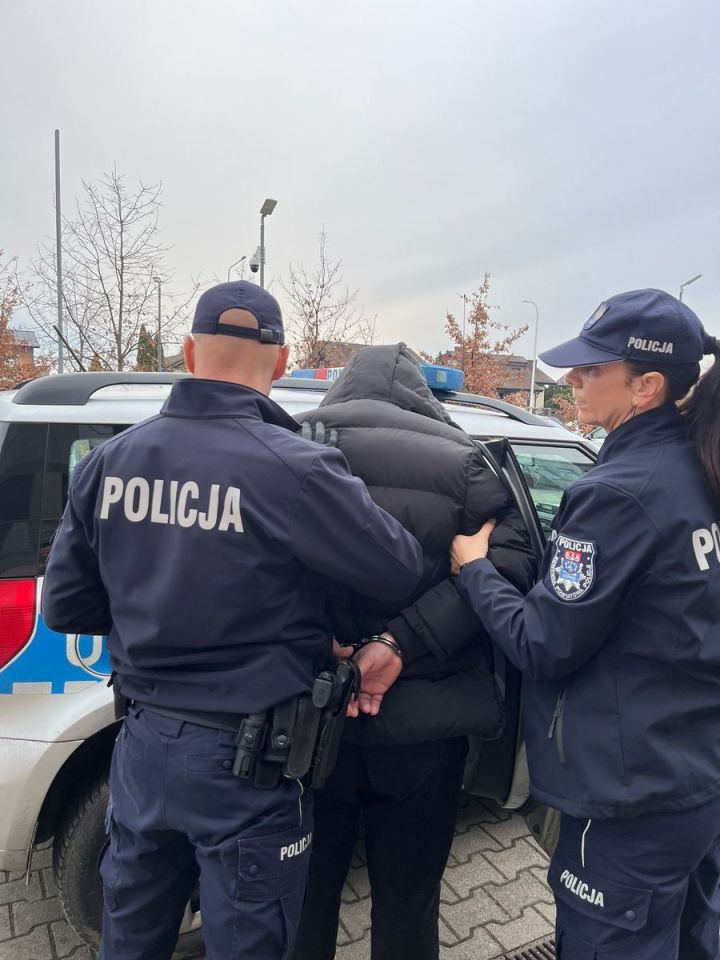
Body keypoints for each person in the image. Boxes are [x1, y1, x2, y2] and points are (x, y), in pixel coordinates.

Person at [41, 283, 423, 960]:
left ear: (189, 353)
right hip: (249, 762)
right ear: (282, 363)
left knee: (129, 940)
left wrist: (154, 608)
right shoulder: (298, 467)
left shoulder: (109, 460)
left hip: (142, 745)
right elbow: (398, 568)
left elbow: (67, 606)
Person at [451, 289, 720, 960]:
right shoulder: (700, 470)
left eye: (592, 369)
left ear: (646, 386)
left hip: (628, 800)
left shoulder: (617, 493)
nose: (571, 379)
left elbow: (543, 642)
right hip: (689, 774)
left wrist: (476, 569)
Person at [290, 344, 536, 960]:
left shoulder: (292, 445)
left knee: (303, 900)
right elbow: (512, 566)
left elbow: (253, 568)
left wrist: (323, 641)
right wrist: (399, 642)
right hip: (424, 731)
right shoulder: (466, 462)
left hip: (311, 719)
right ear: (419, 396)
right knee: (409, 902)